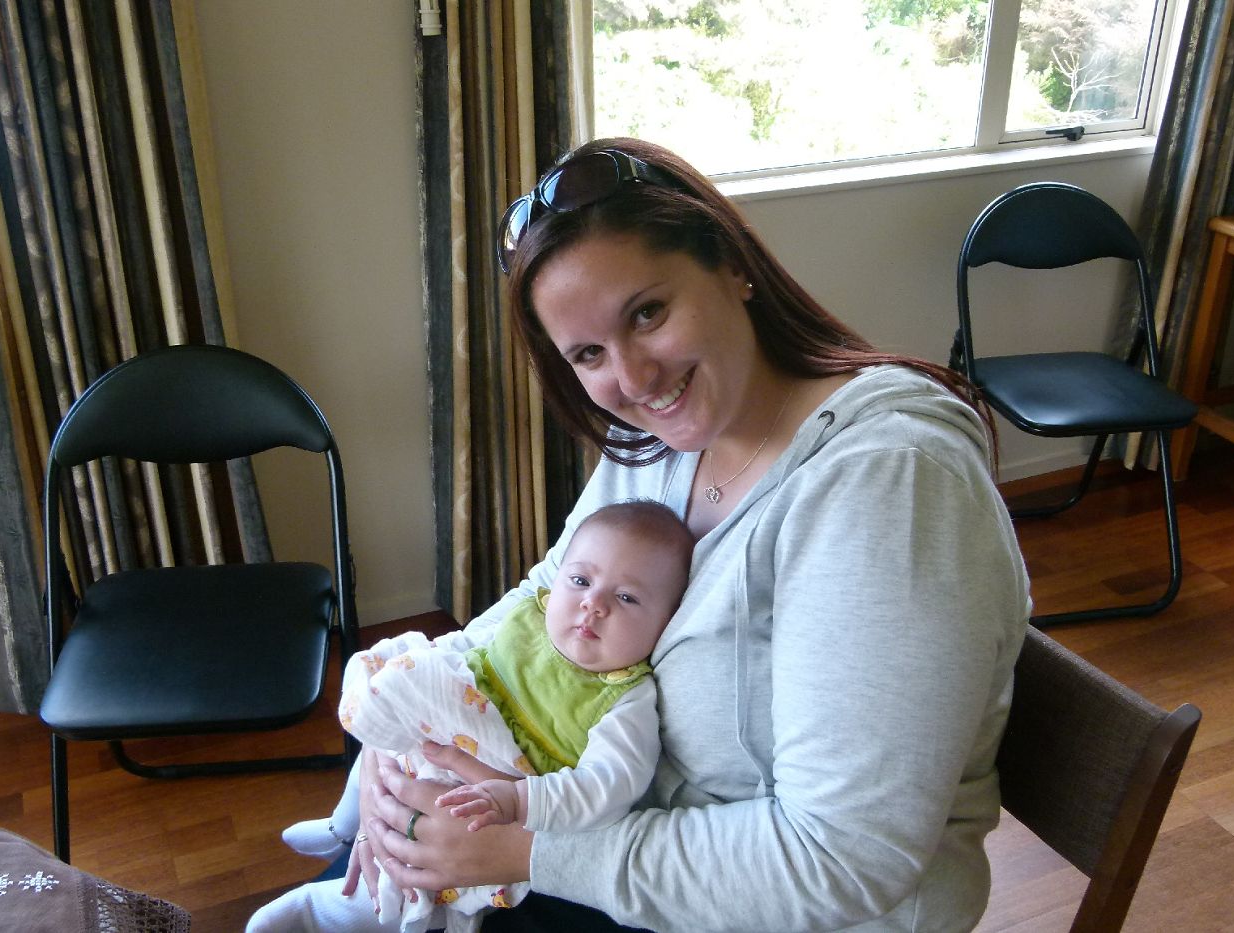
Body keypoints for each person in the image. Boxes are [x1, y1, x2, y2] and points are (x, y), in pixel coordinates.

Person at [331, 136, 1030, 932]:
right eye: (589, 353)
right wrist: (412, 718)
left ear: (732, 264)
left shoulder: (889, 482)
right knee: (363, 849)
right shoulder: (661, 443)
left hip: (776, 908)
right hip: (608, 832)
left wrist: (523, 851)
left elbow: (839, 859)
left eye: (648, 314)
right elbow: (546, 589)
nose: (633, 379)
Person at [247, 500, 694, 932]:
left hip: (501, 784)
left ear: (667, 622)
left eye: (627, 597)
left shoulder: (627, 699)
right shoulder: (530, 617)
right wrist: (421, 664)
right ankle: (342, 828)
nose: (593, 603)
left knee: (433, 834)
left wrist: (518, 800)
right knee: (395, 706)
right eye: (580, 580)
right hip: (453, 721)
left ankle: (340, 910)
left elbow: (607, 787)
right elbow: (466, 646)